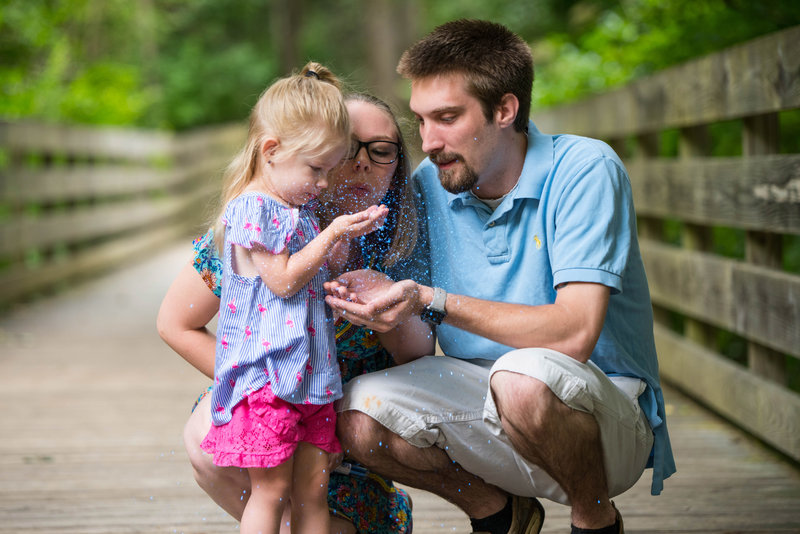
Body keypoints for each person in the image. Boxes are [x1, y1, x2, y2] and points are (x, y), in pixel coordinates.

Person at [323, 19, 676, 534]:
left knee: (523, 379)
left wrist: (432, 298)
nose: (430, 141)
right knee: (355, 414)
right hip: (482, 395)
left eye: (447, 118)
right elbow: (419, 349)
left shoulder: (584, 169)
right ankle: (498, 513)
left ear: (505, 110)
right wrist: (389, 310)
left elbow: (574, 334)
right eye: (420, 121)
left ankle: (595, 519)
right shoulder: (429, 184)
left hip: (602, 414)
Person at [158, 90, 428, 533]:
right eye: (346, 148)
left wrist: (393, 305)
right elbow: (175, 323)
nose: (361, 163)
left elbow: (419, 355)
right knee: (209, 434)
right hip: (274, 403)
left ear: (397, 164)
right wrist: (260, 388)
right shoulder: (263, 222)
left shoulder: (400, 235)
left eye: (380, 151)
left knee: (318, 504)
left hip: (350, 430)